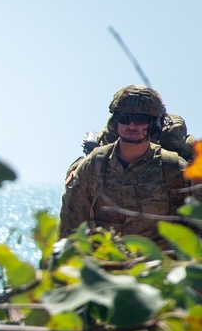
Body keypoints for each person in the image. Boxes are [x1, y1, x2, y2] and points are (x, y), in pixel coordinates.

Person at [60, 85, 193, 242]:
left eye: (140, 119)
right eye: (124, 118)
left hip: (157, 264)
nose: (131, 126)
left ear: (154, 124)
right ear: (115, 122)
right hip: (105, 262)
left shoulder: (173, 168)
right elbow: (70, 230)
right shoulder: (93, 166)